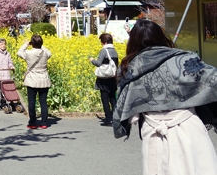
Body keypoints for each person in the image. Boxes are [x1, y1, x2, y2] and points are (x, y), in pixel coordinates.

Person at [114, 19, 217, 175]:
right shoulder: (183, 59)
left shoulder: (129, 68)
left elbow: (123, 103)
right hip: (189, 126)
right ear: (161, 37)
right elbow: (213, 80)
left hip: (153, 131)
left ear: (133, 41)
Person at [17, 34, 52, 129]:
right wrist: (41, 45)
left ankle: (32, 122)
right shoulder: (45, 53)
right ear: (41, 43)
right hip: (44, 80)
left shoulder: (28, 53)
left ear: (32, 43)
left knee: (31, 102)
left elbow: (19, 52)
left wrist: (26, 44)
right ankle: (44, 123)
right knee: (43, 102)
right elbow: (49, 52)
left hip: (32, 80)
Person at [89, 33, 118, 126]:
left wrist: (92, 60)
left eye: (101, 42)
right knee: (113, 98)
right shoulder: (115, 50)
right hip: (113, 78)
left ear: (104, 42)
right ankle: (115, 118)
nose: (101, 44)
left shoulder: (104, 50)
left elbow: (98, 63)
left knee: (104, 99)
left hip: (104, 78)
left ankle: (108, 119)